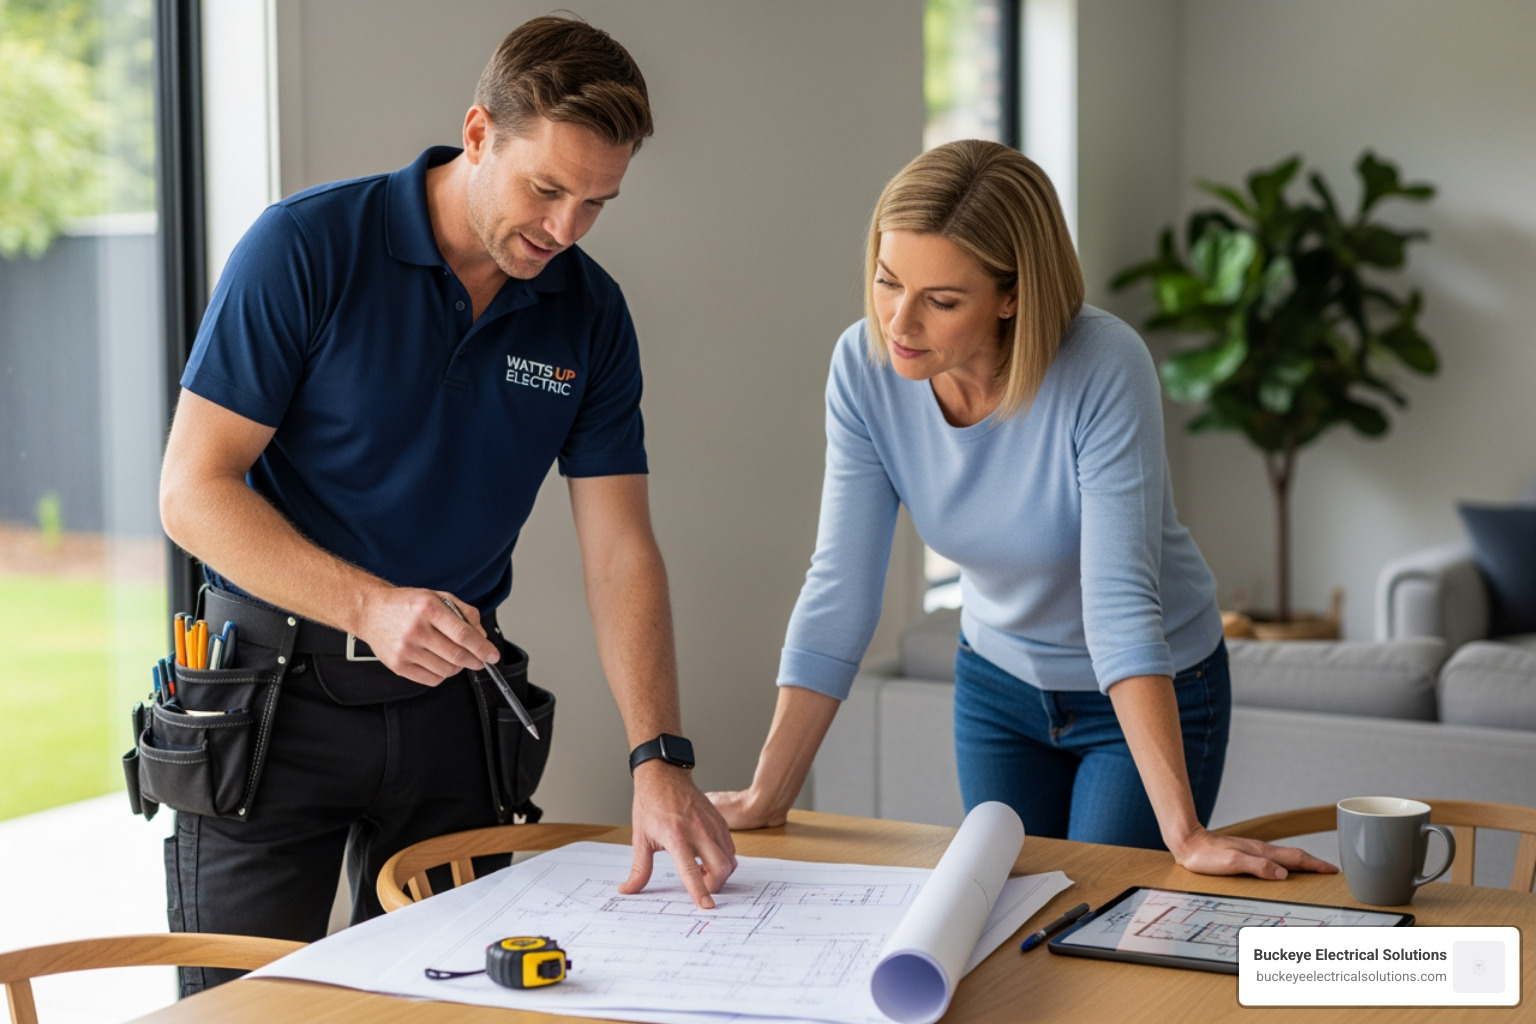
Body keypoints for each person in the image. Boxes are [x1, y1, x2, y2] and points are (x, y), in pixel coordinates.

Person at [157, 15, 735, 992]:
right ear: (478, 134)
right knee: (240, 1013)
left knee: (462, 1007)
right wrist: (370, 606)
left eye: (597, 202)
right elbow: (192, 491)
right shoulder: (305, 249)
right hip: (267, 703)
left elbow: (619, 550)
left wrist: (659, 754)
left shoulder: (588, 313)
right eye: (545, 188)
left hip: (452, 717)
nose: (564, 229)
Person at [709, 140, 1334, 881]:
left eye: (942, 301)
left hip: (1140, 688)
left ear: (1012, 295)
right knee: (1006, 918)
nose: (900, 323)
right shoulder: (865, 367)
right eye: (886, 282)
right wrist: (769, 791)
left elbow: (1119, 602)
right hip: (996, 687)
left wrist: (1186, 833)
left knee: (1095, 922)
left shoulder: (1102, 366)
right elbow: (842, 583)